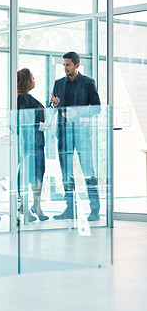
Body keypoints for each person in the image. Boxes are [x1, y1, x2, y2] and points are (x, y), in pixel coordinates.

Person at [50, 52, 101, 221]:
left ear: (77, 65)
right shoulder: (58, 83)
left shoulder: (88, 83)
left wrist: (77, 113)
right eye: (63, 65)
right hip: (64, 134)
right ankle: (70, 208)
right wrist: (53, 104)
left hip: (82, 133)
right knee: (66, 173)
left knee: (88, 171)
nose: (65, 68)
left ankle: (94, 210)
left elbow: (97, 108)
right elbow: (53, 106)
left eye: (68, 65)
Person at [17, 68, 49, 221]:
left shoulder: (29, 97)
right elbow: (24, 122)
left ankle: (36, 205)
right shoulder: (21, 99)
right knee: (27, 174)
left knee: (38, 173)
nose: (34, 80)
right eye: (33, 78)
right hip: (29, 143)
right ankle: (24, 205)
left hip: (37, 142)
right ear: (26, 81)